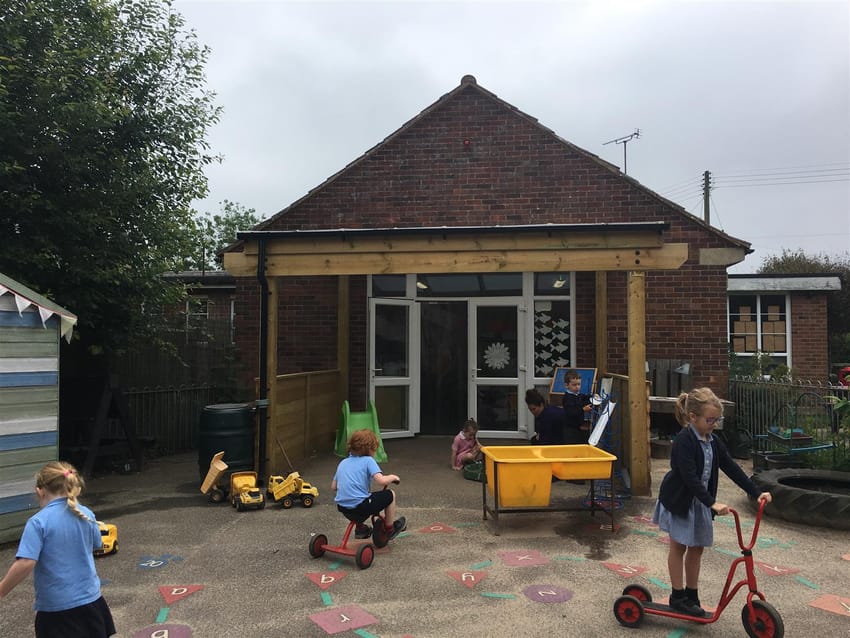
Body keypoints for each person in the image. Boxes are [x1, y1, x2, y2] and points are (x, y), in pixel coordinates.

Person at [653, 387, 772, 618]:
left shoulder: (712, 441)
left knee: (696, 549)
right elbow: (689, 477)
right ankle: (677, 596)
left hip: (701, 503)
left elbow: (731, 467)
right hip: (681, 501)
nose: (714, 424)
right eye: (710, 420)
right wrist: (712, 503)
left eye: (717, 420)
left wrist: (756, 491)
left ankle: (691, 594)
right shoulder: (684, 441)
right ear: (693, 417)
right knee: (678, 547)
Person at [0, 461, 116, 638]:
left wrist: (1, 590)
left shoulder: (38, 522)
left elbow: (26, 562)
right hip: (92, 602)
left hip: (58, 611)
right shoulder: (86, 514)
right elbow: (97, 544)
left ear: (40, 491)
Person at [332, 429, 406, 540]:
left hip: (343, 508)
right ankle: (390, 529)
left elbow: (333, 487)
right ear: (370, 449)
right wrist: (393, 477)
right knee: (390, 494)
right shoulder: (368, 461)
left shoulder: (343, 462)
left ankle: (360, 529)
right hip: (361, 508)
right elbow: (381, 481)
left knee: (359, 495)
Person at [561, 370, 593, 444]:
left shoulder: (577, 395)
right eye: (574, 385)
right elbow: (571, 412)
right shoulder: (567, 398)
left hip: (578, 427)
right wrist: (583, 409)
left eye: (579, 384)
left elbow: (585, 397)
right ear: (567, 385)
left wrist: (593, 397)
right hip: (570, 428)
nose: (577, 387)